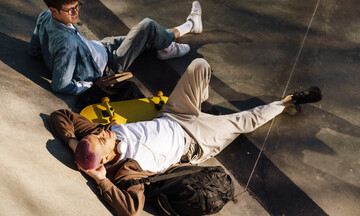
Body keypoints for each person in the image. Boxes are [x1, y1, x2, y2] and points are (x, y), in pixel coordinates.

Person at [49, 58, 322, 216]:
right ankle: (286, 102)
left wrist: (73, 143)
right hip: (198, 141)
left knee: (199, 65)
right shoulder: (126, 172)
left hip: (174, 114)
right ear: (106, 158)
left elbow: (60, 115)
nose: (105, 131)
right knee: (245, 121)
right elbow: (131, 208)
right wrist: (101, 180)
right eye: (103, 138)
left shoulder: (95, 139)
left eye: (100, 133)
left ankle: (201, 102)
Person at [28, 0, 202, 95]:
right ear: (54, 10)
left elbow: (34, 48)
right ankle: (185, 30)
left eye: (76, 6)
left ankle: (170, 42)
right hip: (110, 64)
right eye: (70, 10)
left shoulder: (45, 16)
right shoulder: (67, 45)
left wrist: (41, 55)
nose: (76, 13)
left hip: (100, 46)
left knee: (147, 34)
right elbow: (61, 85)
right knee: (147, 26)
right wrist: (92, 85)